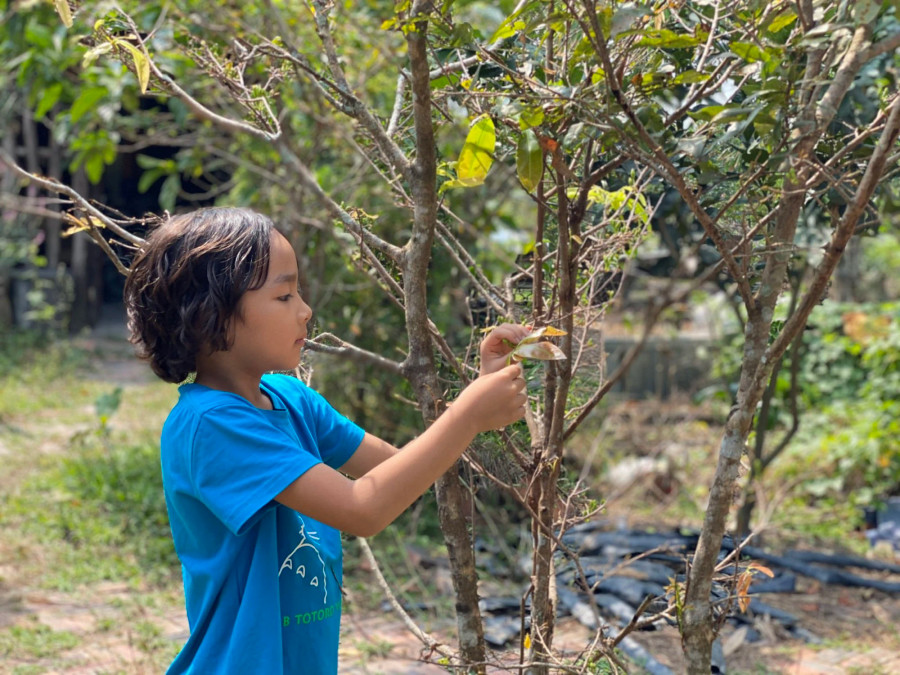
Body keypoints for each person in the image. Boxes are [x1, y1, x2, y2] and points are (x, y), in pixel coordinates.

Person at [123, 207, 529, 674]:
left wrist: (477, 395)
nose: (305, 310)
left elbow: (395, 470)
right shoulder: (211, 425)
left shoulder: (290, 399)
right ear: (212, 316)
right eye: (284, 295)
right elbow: (363, 508)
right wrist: (468, 414)